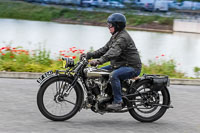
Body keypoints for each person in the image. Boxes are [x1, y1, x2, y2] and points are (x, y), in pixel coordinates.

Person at [81, 13, 142, 110]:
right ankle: (107, 96)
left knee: (114, 75)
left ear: (117, 26)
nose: (108, 27)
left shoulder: (122, 38)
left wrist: (99, 61)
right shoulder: (115, 36)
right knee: (98, 73)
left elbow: (113, 53)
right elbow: (104, 49)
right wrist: (90, 54)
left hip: (131, 67)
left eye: (110, 25)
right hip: (119, 65)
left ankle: (118, 102)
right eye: (108, 25)